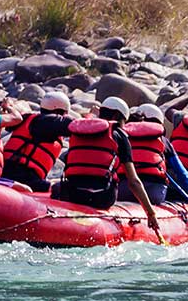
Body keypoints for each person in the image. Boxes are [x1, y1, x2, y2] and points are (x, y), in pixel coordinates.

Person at [58, 97, 159, 231]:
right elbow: (133, 181)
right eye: (124, 122)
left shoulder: (79, 130)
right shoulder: (118, 134)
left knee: (55, 188)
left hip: (71, 194)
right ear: (117, 116)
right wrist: (150, 213)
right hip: (101, 198)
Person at [117, 104, 188, 214]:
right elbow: (184, 176)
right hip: (154, 194)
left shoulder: (122, 136)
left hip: (123, 191)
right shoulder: (163, 141)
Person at [2, 91, 73, 191]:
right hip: (24, 178)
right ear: (59, 111)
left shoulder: (29, 119)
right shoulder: (46, 122)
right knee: (63, 189)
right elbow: (73, 126)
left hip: (6, 170)